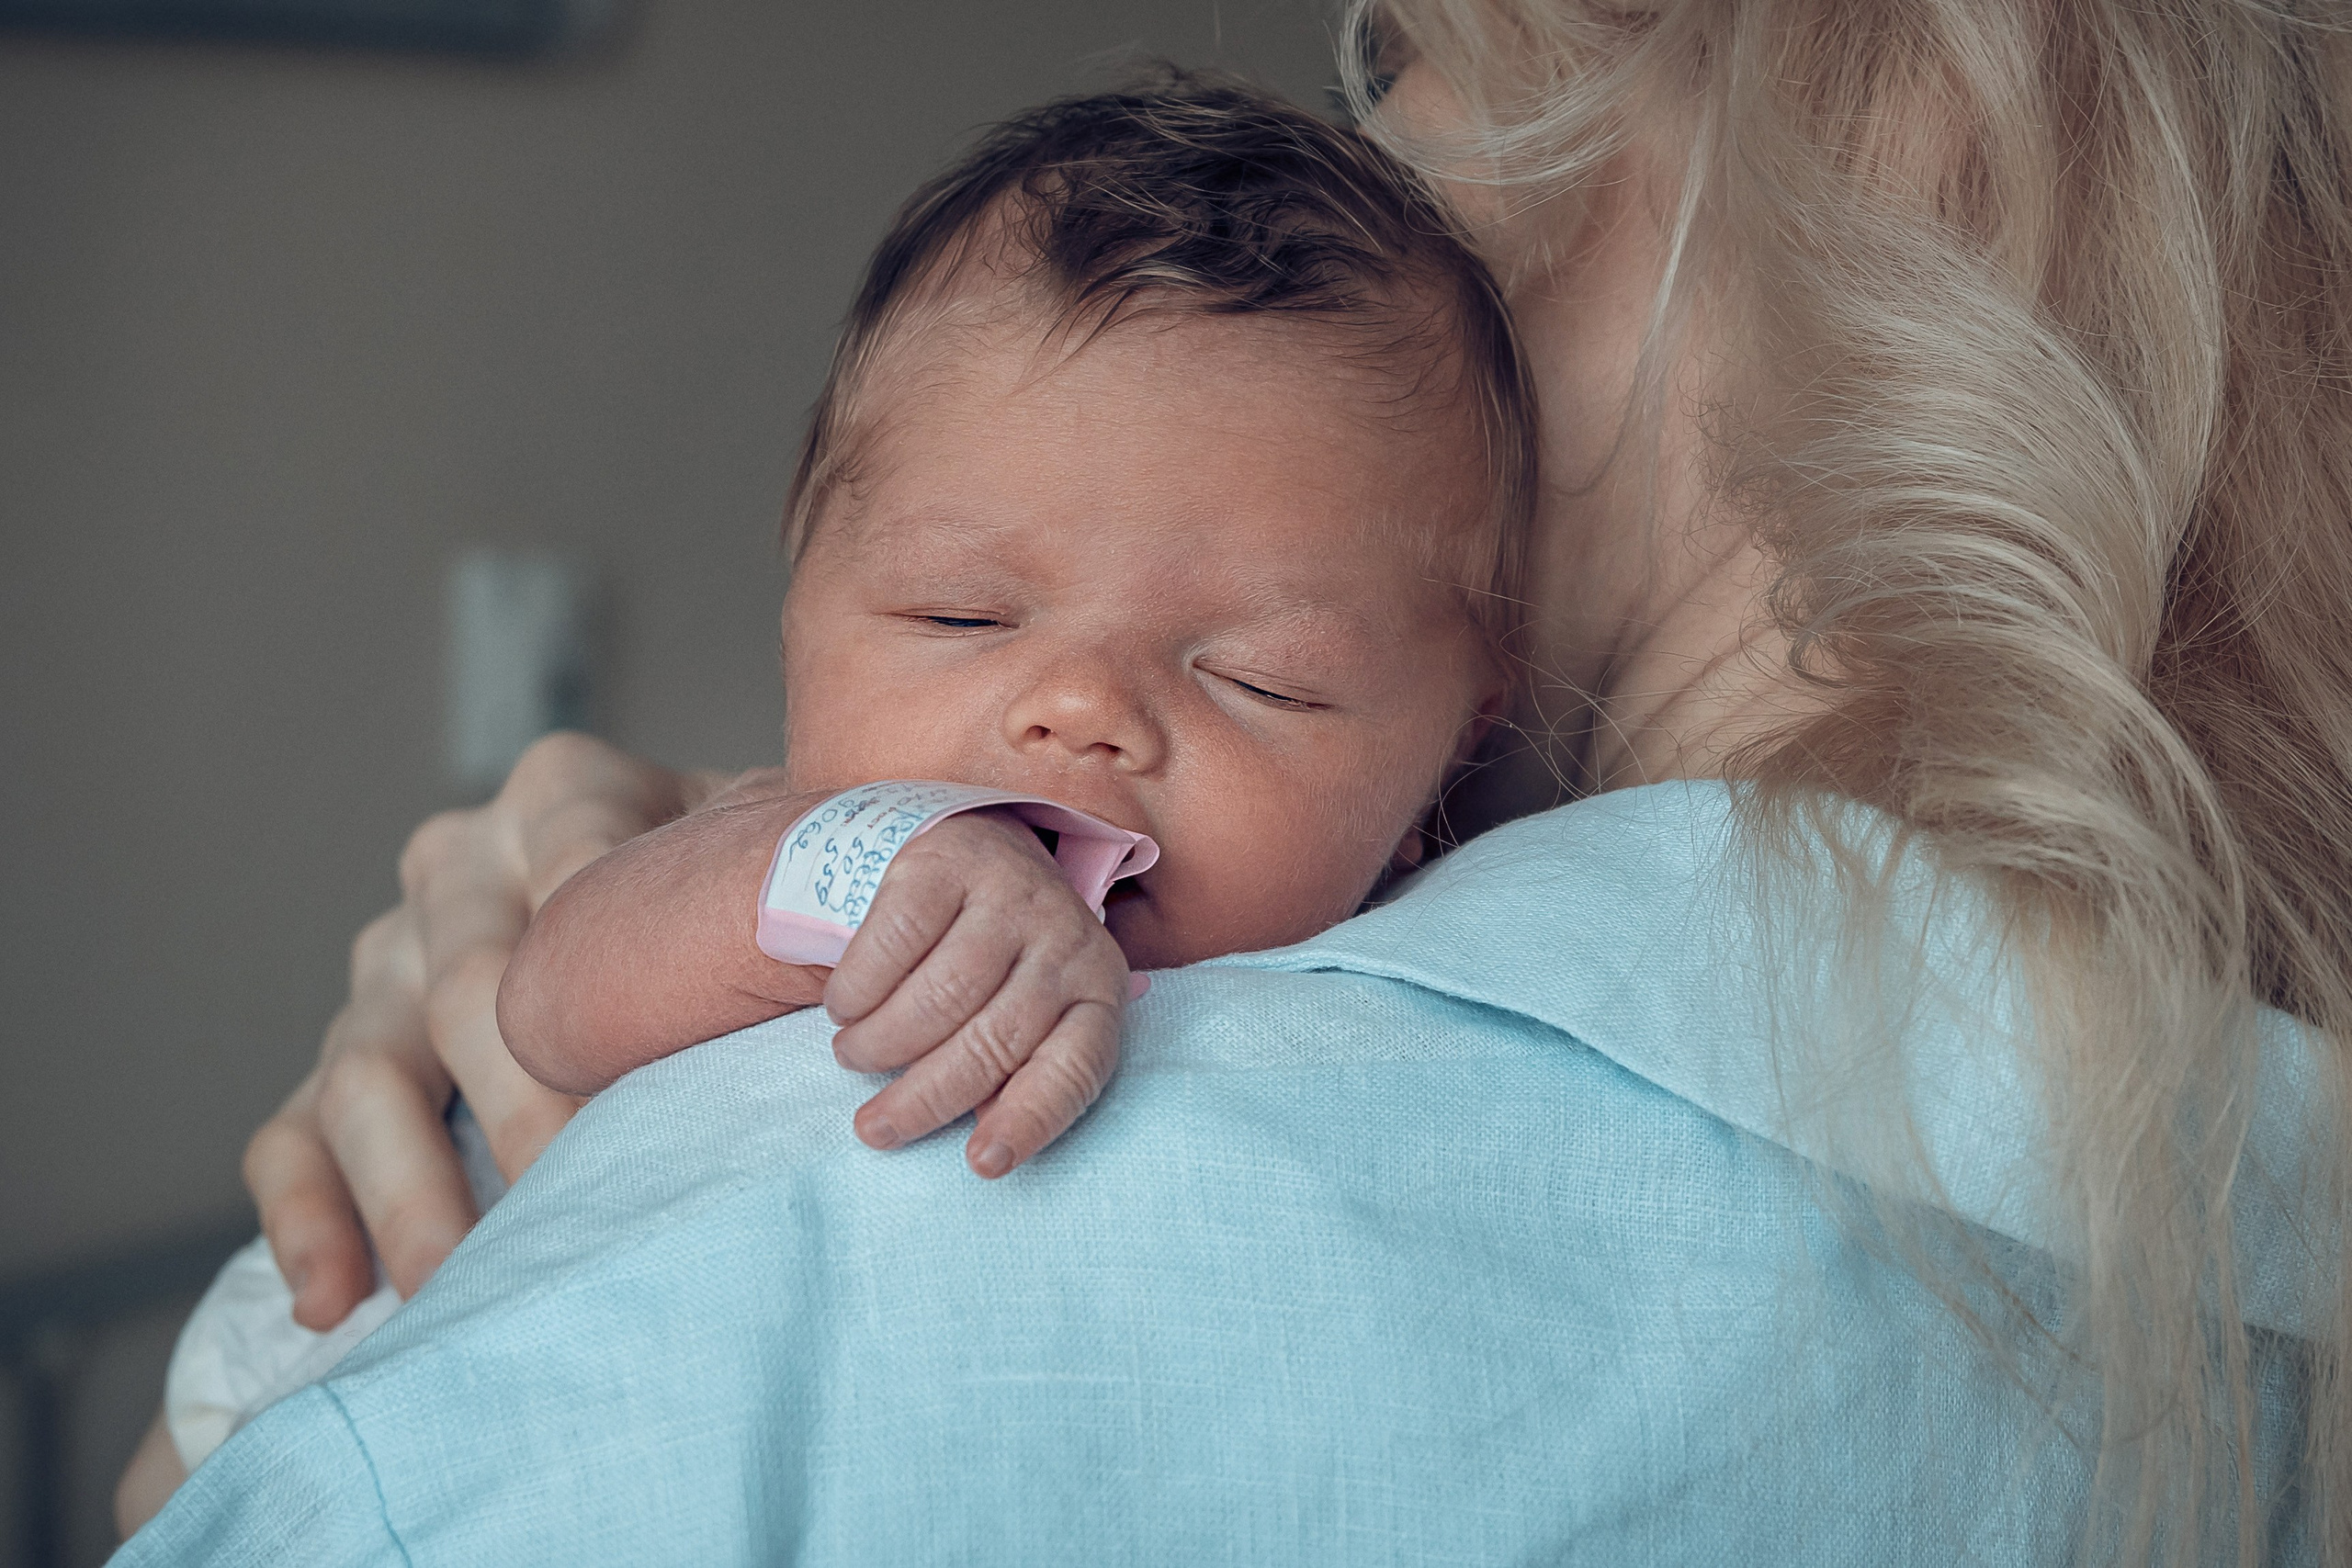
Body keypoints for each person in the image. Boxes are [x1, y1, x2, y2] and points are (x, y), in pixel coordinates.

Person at [115, 1, 2352, 1563]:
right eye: (962, 620)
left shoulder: (898, 1230)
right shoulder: (2223, 1172)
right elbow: (573, 986)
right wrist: (857, 856)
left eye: (1263, 669)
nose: (1074, 714)